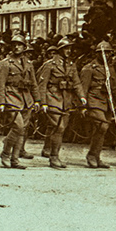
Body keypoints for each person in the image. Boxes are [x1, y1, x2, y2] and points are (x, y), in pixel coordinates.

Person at [34, 38, 81, 168]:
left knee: (60, 128)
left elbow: (76, 82)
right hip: (52, 97)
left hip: (66, 99)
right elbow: (42, 85)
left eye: (70, 48)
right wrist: (43, 102)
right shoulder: (50, 64)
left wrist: (82, 97)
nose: (68, 51)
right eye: (66, 48)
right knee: (58, 127)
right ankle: (54, 157)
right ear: (60, 50)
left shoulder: (71, 64)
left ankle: (51, 151)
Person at [0, 36, 37, 169]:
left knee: (22, 130)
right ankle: (5, 153)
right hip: (11, 98)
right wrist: (0, 103)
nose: (17, 47)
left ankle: (15, 159)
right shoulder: (5, 63)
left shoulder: (28, 64)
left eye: (20, 45)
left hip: (26, 100)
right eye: (14, 45)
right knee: (18, 126)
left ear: (24, 47)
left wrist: (38, 100)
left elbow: (34, 83)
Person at [78, 41, 116, 169]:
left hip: (106, 102)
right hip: (93, 100)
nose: (106, 55)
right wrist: (83, 106)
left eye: (108, 52)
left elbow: (115, 87)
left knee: (101, 129)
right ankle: (91, 155)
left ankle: (96, 157)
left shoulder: (110, 68)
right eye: (103, 52)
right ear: (97, 54)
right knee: (103, 126)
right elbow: (83, 88)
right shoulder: (89, 68)